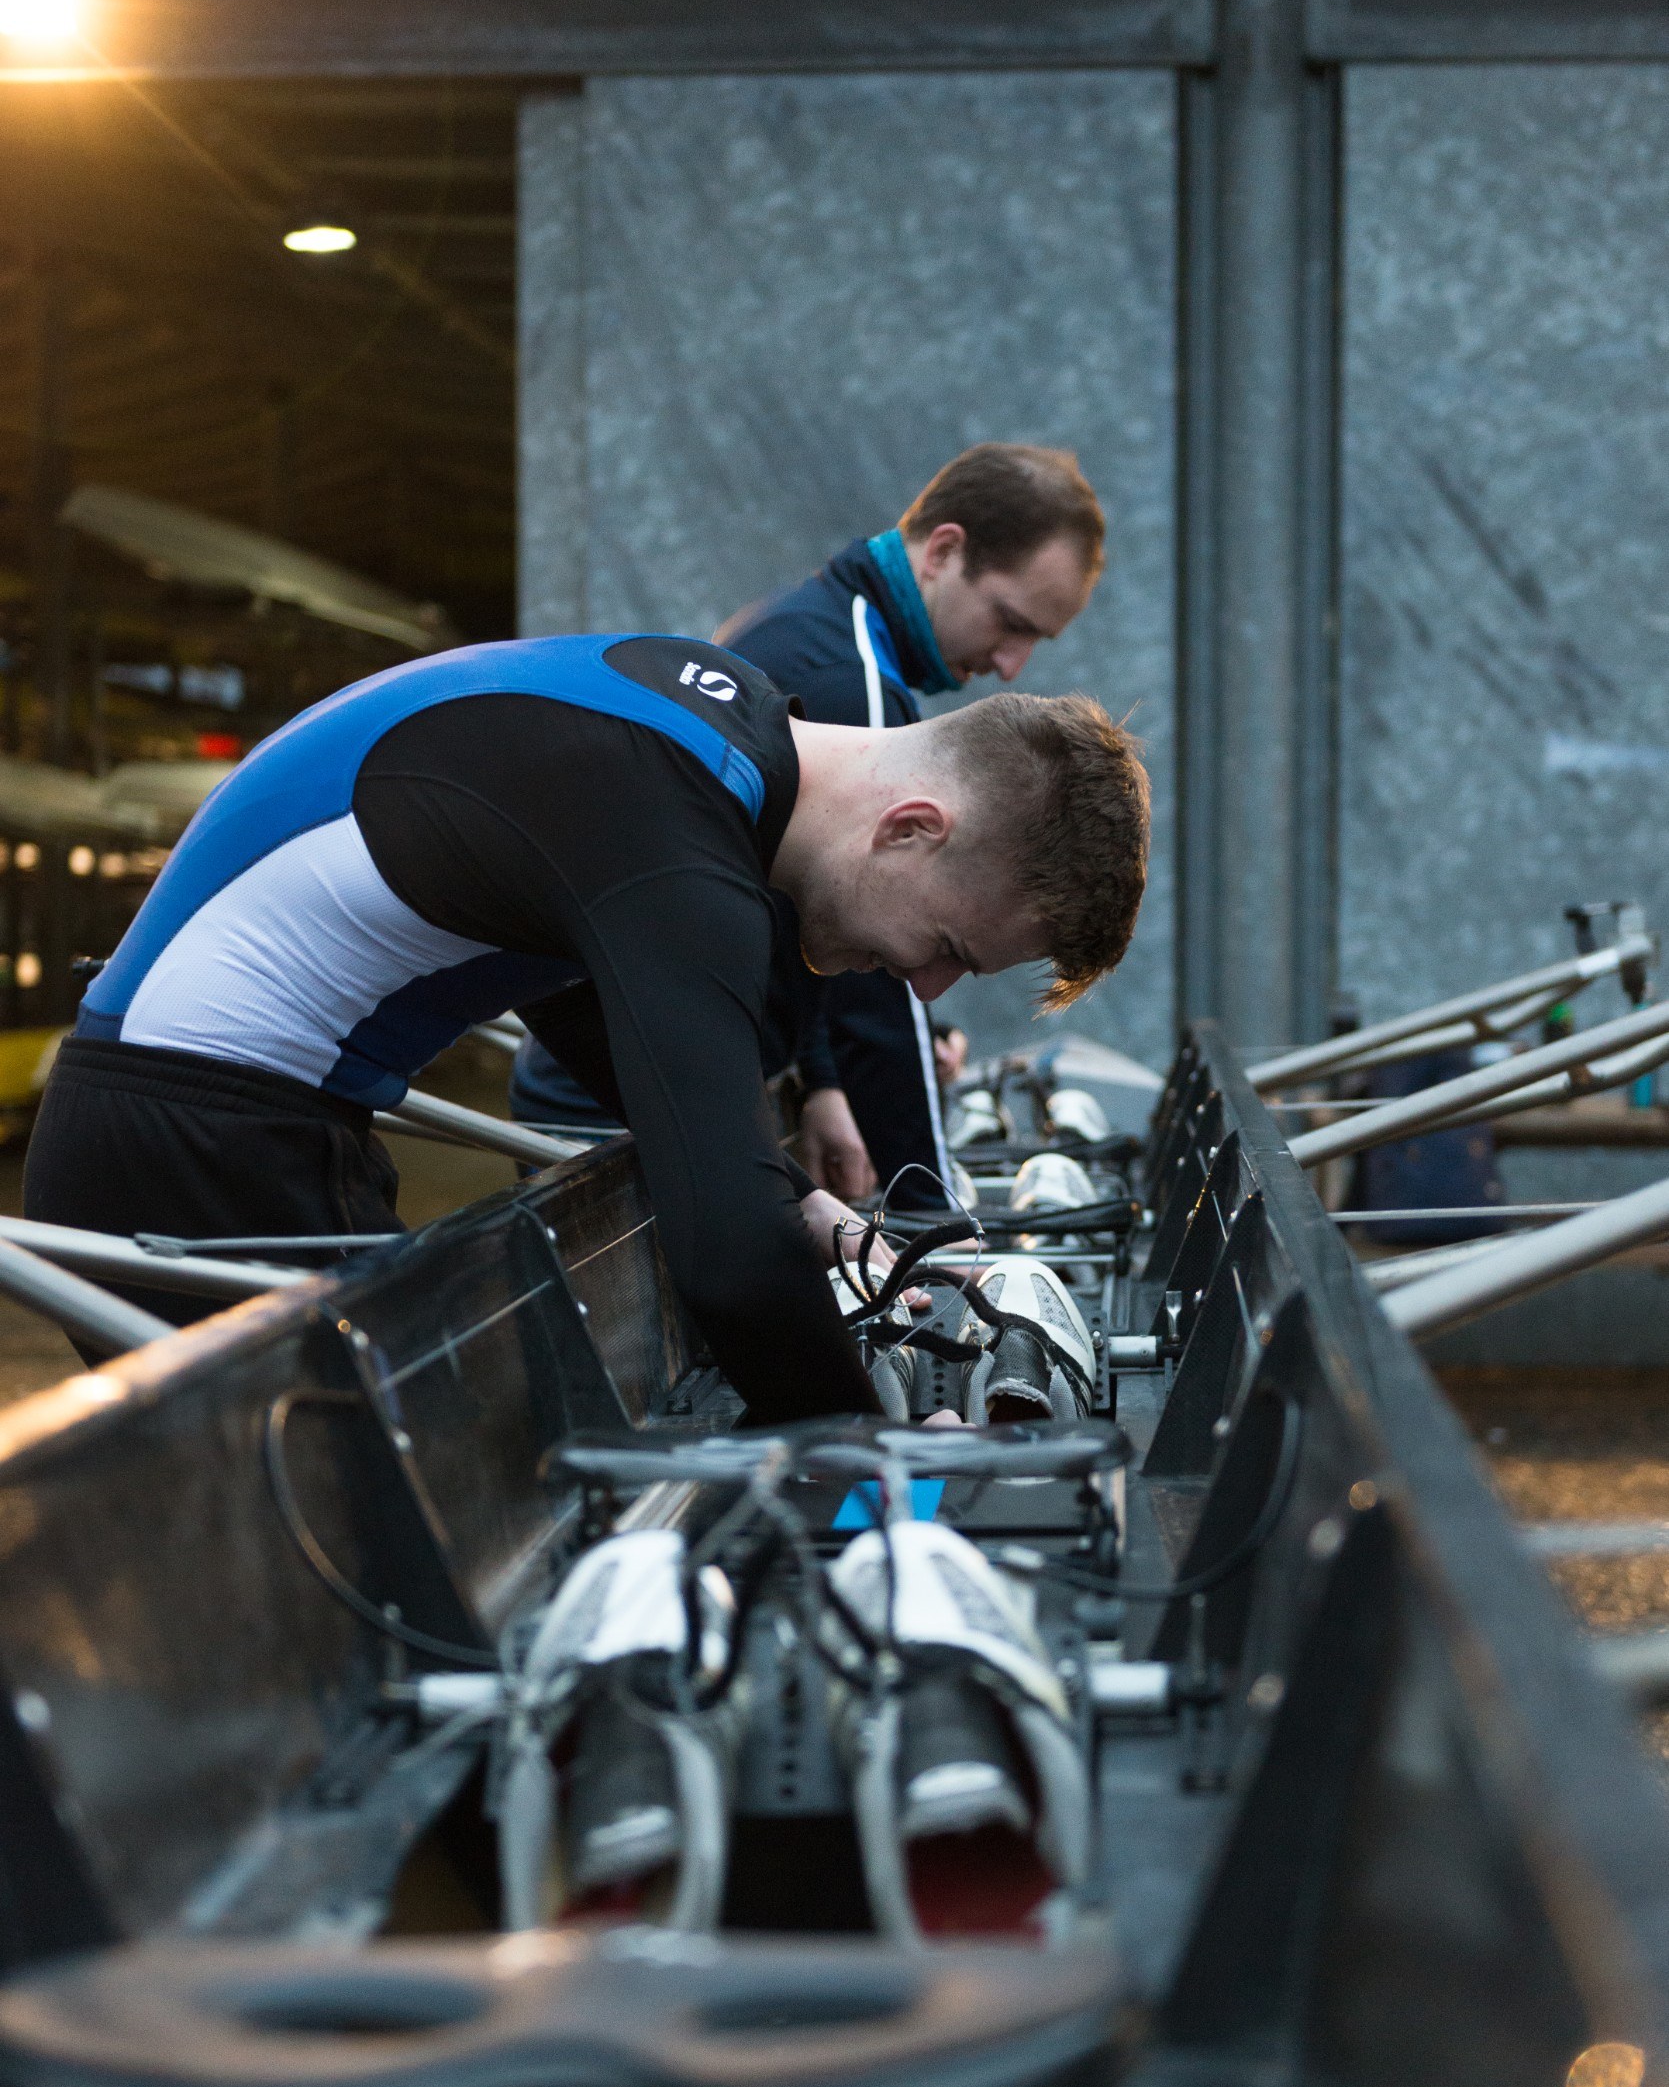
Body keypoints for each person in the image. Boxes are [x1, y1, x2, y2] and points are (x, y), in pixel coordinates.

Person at [24, 632, 1148, 1422]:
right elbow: (735, 1271)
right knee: (390, 1593)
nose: (929, 989)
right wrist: (888, 1452)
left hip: (213, 1127)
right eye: (950, 947)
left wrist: (782, 1193)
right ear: (910, 828)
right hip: (195, 1151)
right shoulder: (677, 839)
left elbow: (589, 1008)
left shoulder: (708, 732)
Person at [511, 444, 1106, 1206]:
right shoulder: (849, 682)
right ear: (945, 550)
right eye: (1010, 621)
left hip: (640, 1072)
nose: (1013, 663)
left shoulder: (817, 627)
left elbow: (804, 910)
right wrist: (931, 1210)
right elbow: (879, 985)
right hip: (618, 1090)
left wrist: (820, 1081)